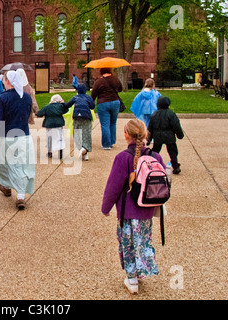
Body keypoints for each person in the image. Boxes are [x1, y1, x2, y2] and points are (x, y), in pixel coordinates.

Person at [102, 119, 165, 295]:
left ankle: (132, 279)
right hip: (146, 211)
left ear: (126, 135)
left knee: (127, 244)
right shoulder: (156, 156)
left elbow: (113, 186)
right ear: (146, 135)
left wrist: (106, 207)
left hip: (126, 211)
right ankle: (142, 270)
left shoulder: (123, 158)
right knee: (143, 242)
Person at [0, 71, 34, 210]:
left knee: (5, 164)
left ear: (8, 81)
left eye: (4, 80)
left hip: (7, 136)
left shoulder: (3, 98)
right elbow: (28, 114)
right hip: (24, 136)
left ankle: (11, 189)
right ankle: (16, 192)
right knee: (21, 165)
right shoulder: (27, 97)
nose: (3, 82)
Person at [147, 96, 184, 175]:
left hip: (157, 136)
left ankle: (151, 164)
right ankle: (175, 166)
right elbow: (176, 125)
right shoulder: (171, 114)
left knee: (155, 151)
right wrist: (180, 135)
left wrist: (148, 139)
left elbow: (150, 128)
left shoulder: (154, 114)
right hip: (169, 136)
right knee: (173, 151)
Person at [91, 68, 123, 150]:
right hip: (115, 102)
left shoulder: (99, 82)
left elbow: (93, 94)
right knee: (113, 123)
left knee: (105, 124)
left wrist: (91, 103)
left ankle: (106, 144)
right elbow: (120, 89)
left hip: (103, 103)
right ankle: (111, 141)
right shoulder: (115, 79)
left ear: (101, 71)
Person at [63, 83, 96, 161]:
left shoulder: (75, 97)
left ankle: (81, 149)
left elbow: (68, 105)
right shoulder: (88, 97)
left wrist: (62, 103)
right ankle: (85, 150)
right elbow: (92, 106)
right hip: (86, 117)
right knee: (86, 134)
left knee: (77, 134)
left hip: (77, 117)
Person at [36, 94, 69, 160]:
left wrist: (37, 113)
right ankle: (60, 152)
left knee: (49, 139)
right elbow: (66, 110)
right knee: (59, 138)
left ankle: (49, 152)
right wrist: (63, 103)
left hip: (49, 125)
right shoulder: (61, 106)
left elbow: (39, 114)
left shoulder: (47, 107)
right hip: (59, 125)